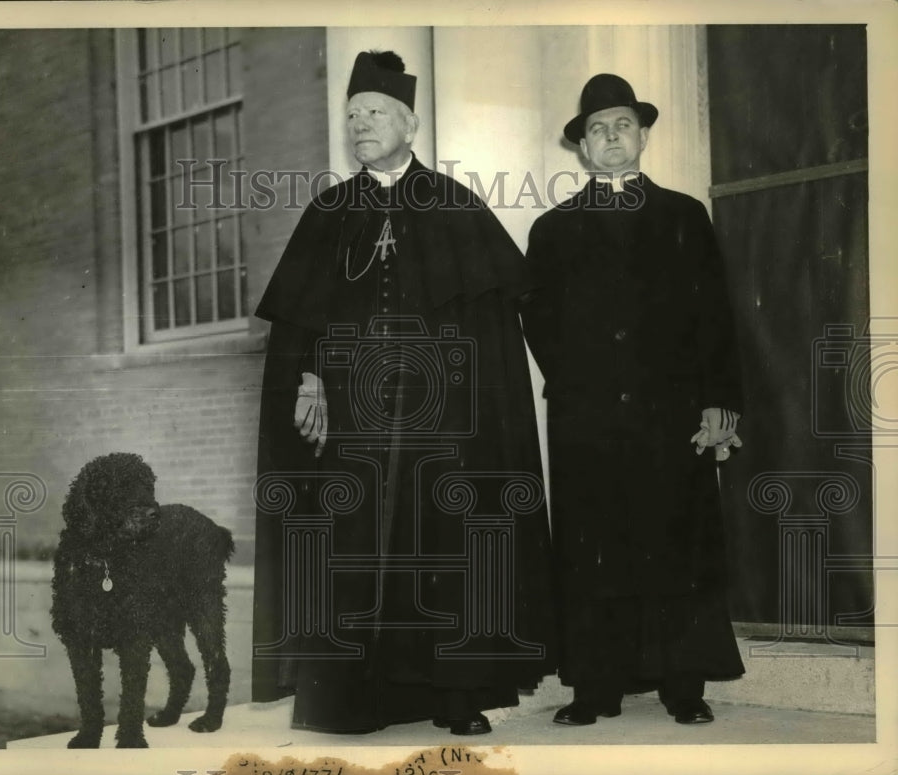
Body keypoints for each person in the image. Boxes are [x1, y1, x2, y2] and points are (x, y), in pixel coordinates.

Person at [252, 50, 557, 736]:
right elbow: (299, 322)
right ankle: (356, 699)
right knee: (351, 549)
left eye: (375, 113)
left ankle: (458, 697)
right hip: (354, 421)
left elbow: (494, 326)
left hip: (441, 421)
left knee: (447, 545)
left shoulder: (454, 206)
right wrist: (306, 376)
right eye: (352, 115)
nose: (360, 124)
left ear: (409, 123)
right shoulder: (330, 212)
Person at [521, 73, 745, 726]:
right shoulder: (553, 230)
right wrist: (576, 382)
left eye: (622, 125)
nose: (611, 138)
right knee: (594, 550)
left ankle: (684, 686)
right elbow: (537, 319)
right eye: (598, 129)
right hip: (588, 421)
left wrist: (717, 403)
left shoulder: (684, 217)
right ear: (582, 148)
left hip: (672, 419)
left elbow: (715, 317)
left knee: (679, 542)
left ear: (642, 135)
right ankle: (594, 688)